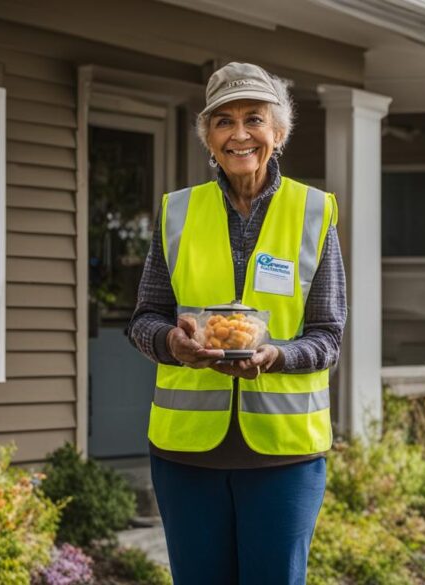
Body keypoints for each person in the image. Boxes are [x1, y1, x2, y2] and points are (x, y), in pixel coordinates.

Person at [126, 61, 346, 585]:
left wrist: (276, 357)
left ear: (279, 132)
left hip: (284, 455)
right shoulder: (177, 212)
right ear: (208, 136)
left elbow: (328, 337)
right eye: (223, 121)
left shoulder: (313, 213)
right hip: (186, 454)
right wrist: (172, 345)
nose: (239, 134)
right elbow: (144, 320)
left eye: (254, 119)